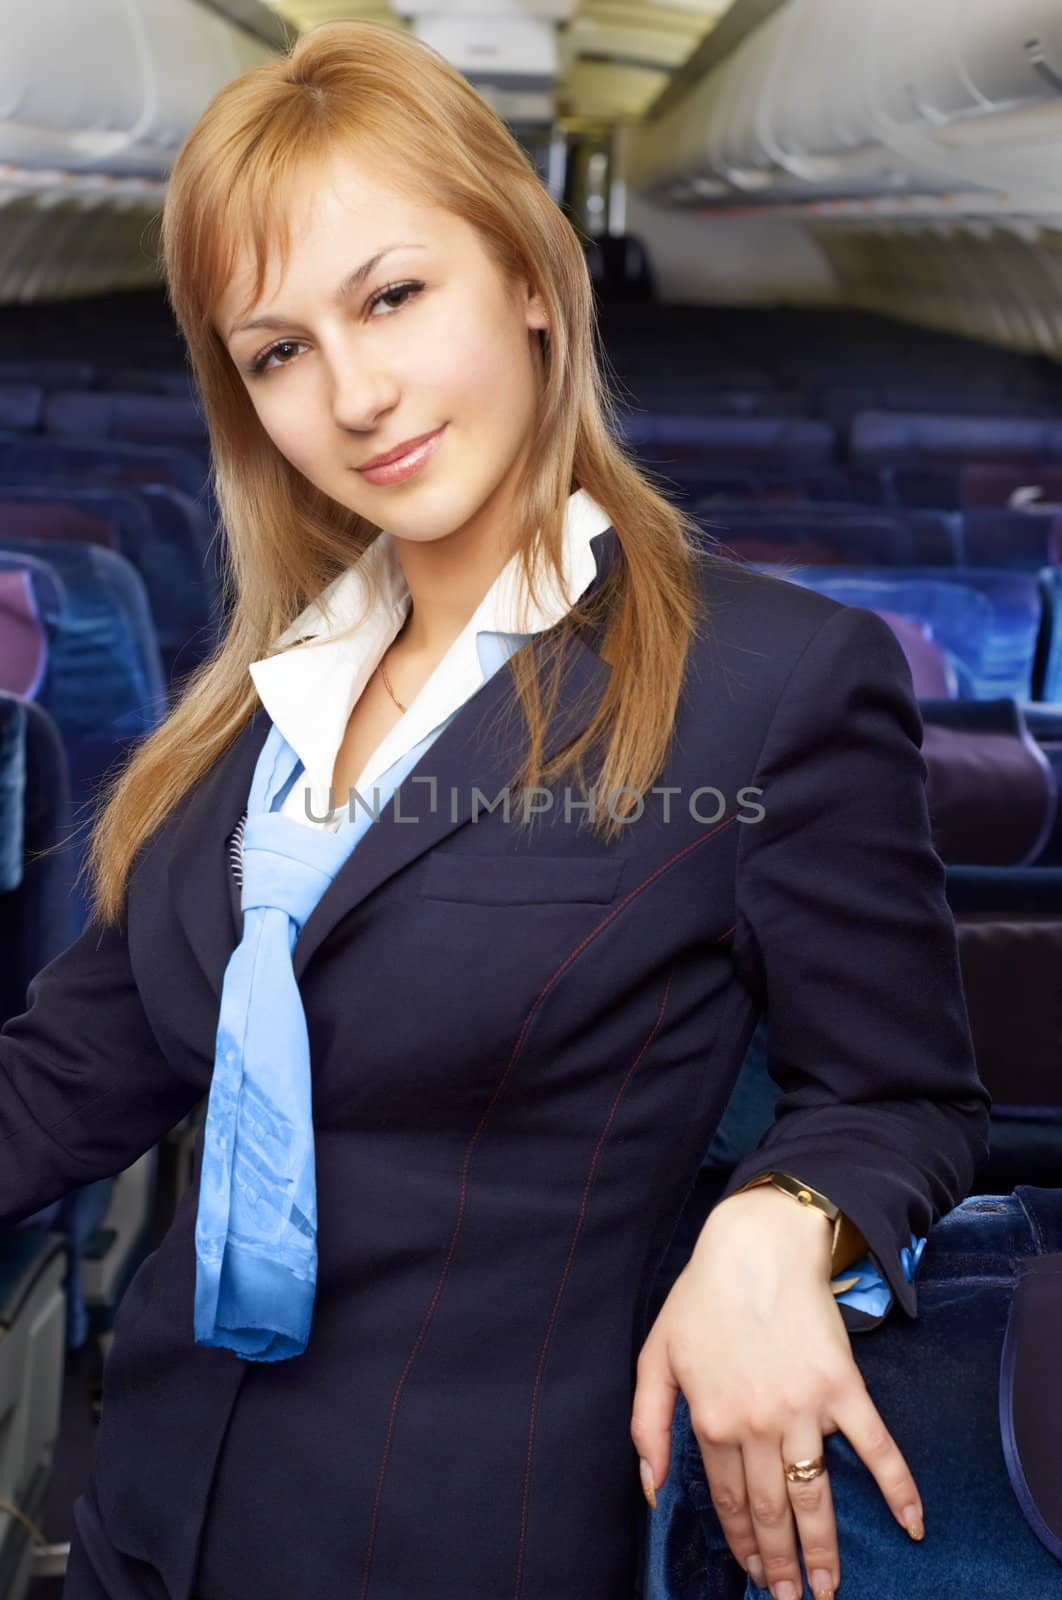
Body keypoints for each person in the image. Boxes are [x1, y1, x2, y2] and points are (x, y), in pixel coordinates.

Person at [0, 19, 991, 1600]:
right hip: (147, 1520)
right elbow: (66, 1076)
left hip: (474, 1543)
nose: (355, 393)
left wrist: (776, 1226)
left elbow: (899, 1099)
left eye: (392, 296)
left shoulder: (768, 684)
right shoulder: (258, 696)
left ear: (529, 277)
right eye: (278, 351)